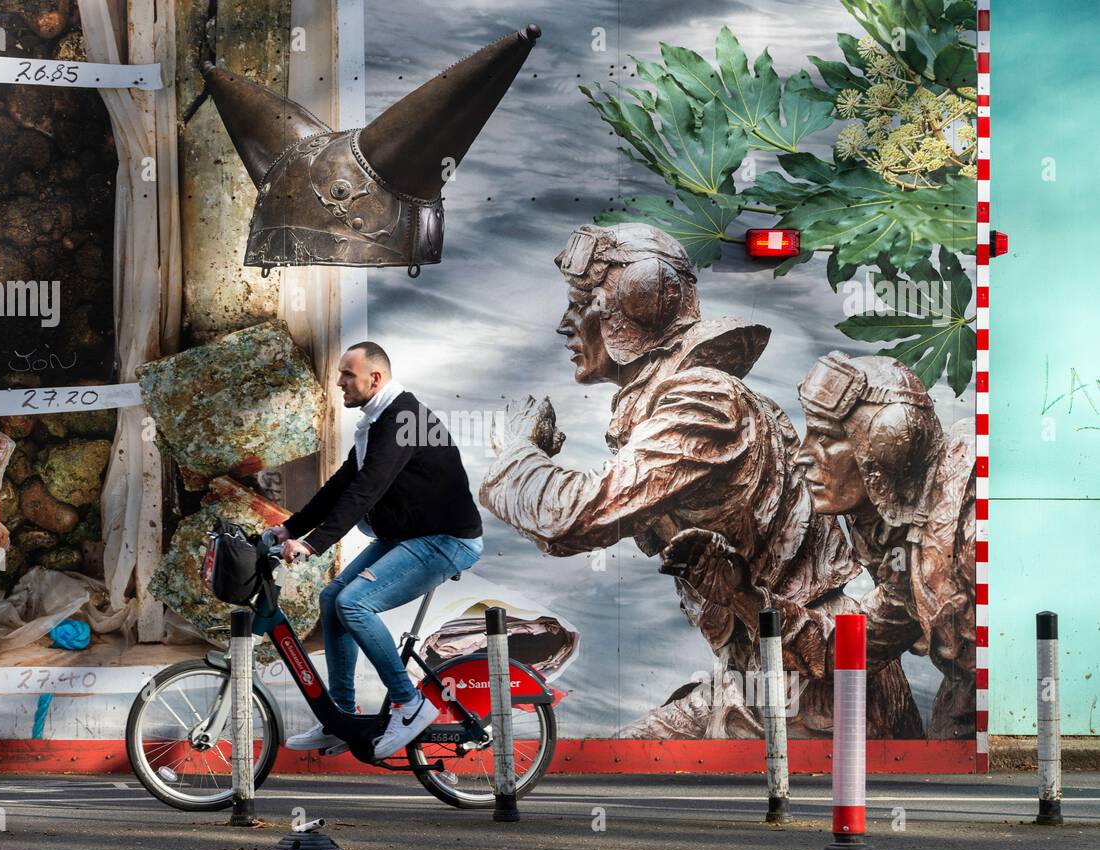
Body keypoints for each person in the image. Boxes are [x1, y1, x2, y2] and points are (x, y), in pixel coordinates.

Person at [479, 223, 920, 739]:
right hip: (763, 668)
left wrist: (516, 454)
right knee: (625, 772)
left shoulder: (704, 400)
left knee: (645, 791)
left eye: (582, 303)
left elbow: (575, 518)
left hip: (811, 682)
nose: (565, 324)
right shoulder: (680, 400)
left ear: (635, 305)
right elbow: (568, 531)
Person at [268, 342, 485, 758]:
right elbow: (343, 484)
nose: (338, 382)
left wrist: (314, 543)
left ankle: (409, 702)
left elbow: (367, 491)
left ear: (375, 378)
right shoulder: (378, 420)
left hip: (446, 541)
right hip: (409, 536)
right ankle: (341, 717)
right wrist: (289, 528)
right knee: (332, 598)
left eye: (347, 375)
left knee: (354, 604)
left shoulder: (403, 419)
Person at [795, 351, 977, 739]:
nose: (802, 456)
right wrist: (746, 597)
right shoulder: (902, 535)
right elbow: (860, 646)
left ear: (884, 446)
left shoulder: (970, 517)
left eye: (825, 437)